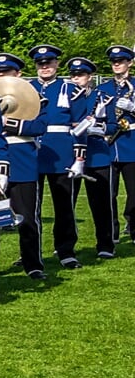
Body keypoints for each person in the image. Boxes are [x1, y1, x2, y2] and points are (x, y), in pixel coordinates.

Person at [0, 52, 47, 278]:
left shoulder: (34, 97)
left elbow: (40, 125)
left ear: (18, 74)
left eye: (7, 72)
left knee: (27, 217)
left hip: (22, 159)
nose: (2, 76)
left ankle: (33, 264)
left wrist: (10, 123)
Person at [27, 44, 84, 268]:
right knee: (31, 208)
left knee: (64, 205)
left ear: (57, 64)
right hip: (32, 153)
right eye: (40, 63)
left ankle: (66, 250)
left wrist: (79, 157)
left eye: (49, 62)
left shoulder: (71, 89)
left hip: (62, 153)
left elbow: (80, 125)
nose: (45, 66)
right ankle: (31, 252)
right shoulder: (27, 89)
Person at [67, 56, 116, 259]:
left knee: (101, 202)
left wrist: (98, 126)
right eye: (74, 75)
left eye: (81, 75)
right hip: (71, 154)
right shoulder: (66, 96)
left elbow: (113, 125)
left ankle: (105, 244)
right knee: (67, 202)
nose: (77, 78)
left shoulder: (102, 97)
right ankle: (66, 244)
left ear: (89, 77)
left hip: (96, 154)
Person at [104, 45, 135, 240]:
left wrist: (133, 108)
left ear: (129, 63)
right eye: (114, 62)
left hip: (132, 144)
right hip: (108, 145)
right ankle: (111, 233)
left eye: (121, 61)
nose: (117, 64)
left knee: (134, 192)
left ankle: (133, 227)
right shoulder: (103, 88)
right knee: (108, 193)